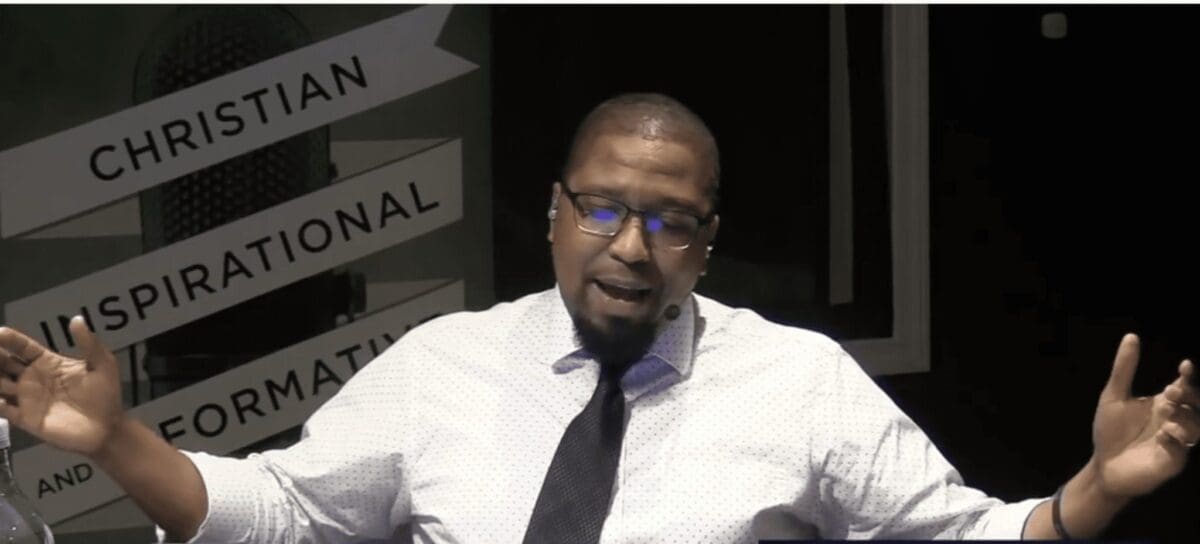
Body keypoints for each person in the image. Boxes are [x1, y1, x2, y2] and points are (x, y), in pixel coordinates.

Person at [1, 93, 1198, 543]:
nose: (632, 245)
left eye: (670, 222)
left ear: (707, 246)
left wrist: (1095, 488)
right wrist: (117, 441)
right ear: (555, 214)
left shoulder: (797, 379)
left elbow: (959, 534)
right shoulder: (444, 361)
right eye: (606, 209)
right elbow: (286, 512)